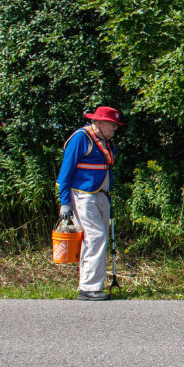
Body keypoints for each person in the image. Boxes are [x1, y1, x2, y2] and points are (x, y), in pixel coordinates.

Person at [56, 106, 123, 301]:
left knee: (97, 238)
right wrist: (65, 202)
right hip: (84, 195)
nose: (114, 129)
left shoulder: (106, 141)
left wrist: (108, 198)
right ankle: (88, 287)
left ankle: (93, 285)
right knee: (95, 237)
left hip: (101, 195)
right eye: (112, 125)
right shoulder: (80, 138)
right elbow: (65, 172)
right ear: (99, 123)